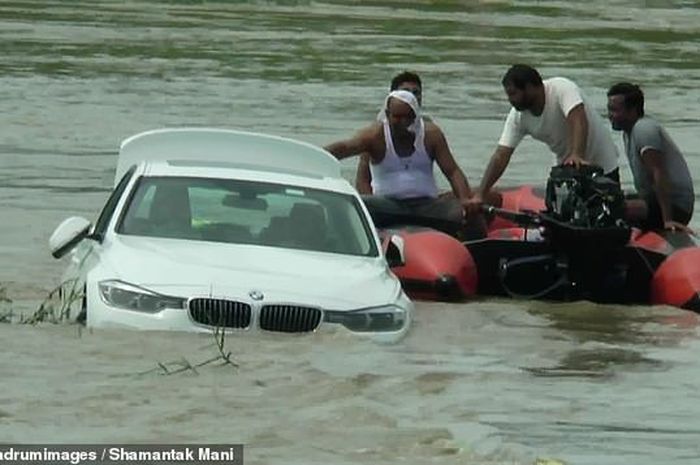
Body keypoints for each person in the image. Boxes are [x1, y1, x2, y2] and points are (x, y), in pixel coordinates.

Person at [324, 89, 482, 238]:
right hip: (387, 205)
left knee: (471, 214)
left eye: (408, 117)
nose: (403, 122)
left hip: (426, 205)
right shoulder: (374, 135)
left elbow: (453, 171)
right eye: (397, 117)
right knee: (351, 205)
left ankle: (475, 250)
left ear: (415, 115)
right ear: (387, 114)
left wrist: (465, 200)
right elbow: (345, 148)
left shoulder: (431, 135)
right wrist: (312, 157)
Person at [467, 64, 620, 213]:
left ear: (529, 87)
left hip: (602, 163)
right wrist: (481, 193)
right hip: (567, 170)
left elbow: (578, 118)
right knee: (562, 216)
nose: (510, 100)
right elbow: (501, 155)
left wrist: (577, 154)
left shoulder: (562, 88)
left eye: (513, 94)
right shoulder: (518, 117)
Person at [607, 82, 694, 233]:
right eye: (609, 110)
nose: (610, 115)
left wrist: (667, 220)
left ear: (632, 110)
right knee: (607, 198)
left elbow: (658, 173)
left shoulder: (644, 129)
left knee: (613, 208)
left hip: (675, 206)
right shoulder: (628, 133)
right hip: (652, 200)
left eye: (614, 110)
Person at [355, 71, 425, 194]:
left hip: (421, 201)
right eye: (406, 91)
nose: (412, 96)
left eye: (416, 92)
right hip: (384, 201)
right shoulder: (376, 132)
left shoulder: (429, 129)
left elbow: (451, 170)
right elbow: (363, 177)